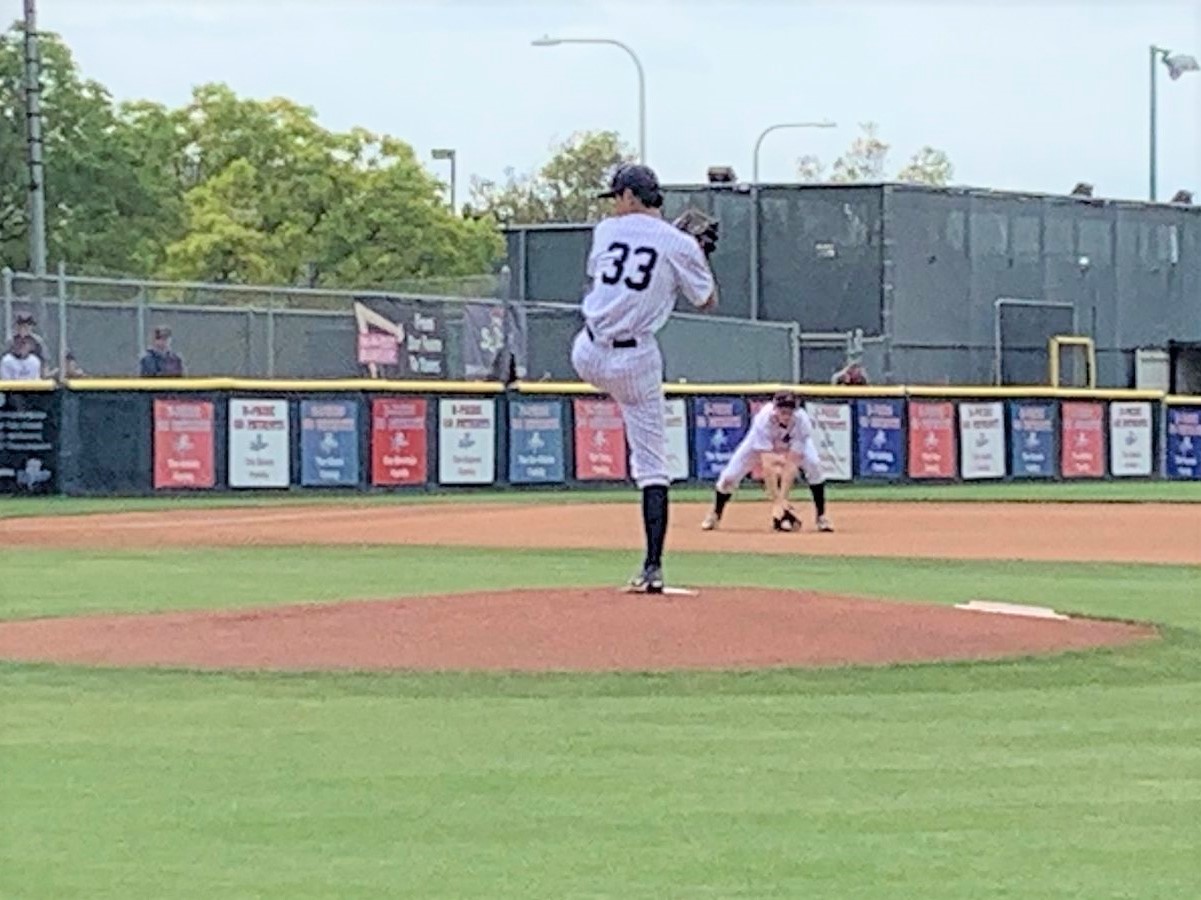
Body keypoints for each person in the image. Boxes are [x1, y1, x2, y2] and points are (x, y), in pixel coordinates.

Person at [571, 163, 719, 594]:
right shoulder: (680, 245)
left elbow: (612, 271)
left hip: (587, 351)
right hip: (635, 362)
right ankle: (652, 567)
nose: (615, 206)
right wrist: (698, 253)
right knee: (653, 466)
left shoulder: (605, 231)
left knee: (596, 349)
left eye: (617, 197)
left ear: (631, 196)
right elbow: (707, 300)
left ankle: (652, 566)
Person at [701, 390, 834, 533]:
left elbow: (792, 463)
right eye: (783, 410)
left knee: (814, 465)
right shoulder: (763, 419)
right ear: (775, 409)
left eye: (790, 411)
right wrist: (776, 502)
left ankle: (821, 517)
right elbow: (768, 465)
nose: (786, 415)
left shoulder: (802, 422)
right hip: (761, 443)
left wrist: (782, 499)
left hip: (790, 443)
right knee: (729, 477)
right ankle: (715, 514)